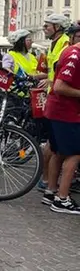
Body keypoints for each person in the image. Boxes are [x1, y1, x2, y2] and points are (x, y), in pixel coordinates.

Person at [44, 21, 80, 214]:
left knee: (58, 152)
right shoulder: (75, 55)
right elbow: (60, 87)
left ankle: (50, 191)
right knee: (75, 153)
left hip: (56, 110)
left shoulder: (69, 50)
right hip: (65, 112)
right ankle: (62, 199)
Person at [38, 14, 72, 193]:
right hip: (56, 96)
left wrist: (50, 82)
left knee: (53, 144)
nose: (44, 29)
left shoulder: (65, 43)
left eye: (47, 26)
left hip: (55, 95)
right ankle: (48, 182)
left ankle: (47, 182)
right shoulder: (56, 43)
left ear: (58, 27)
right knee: (56, 145)